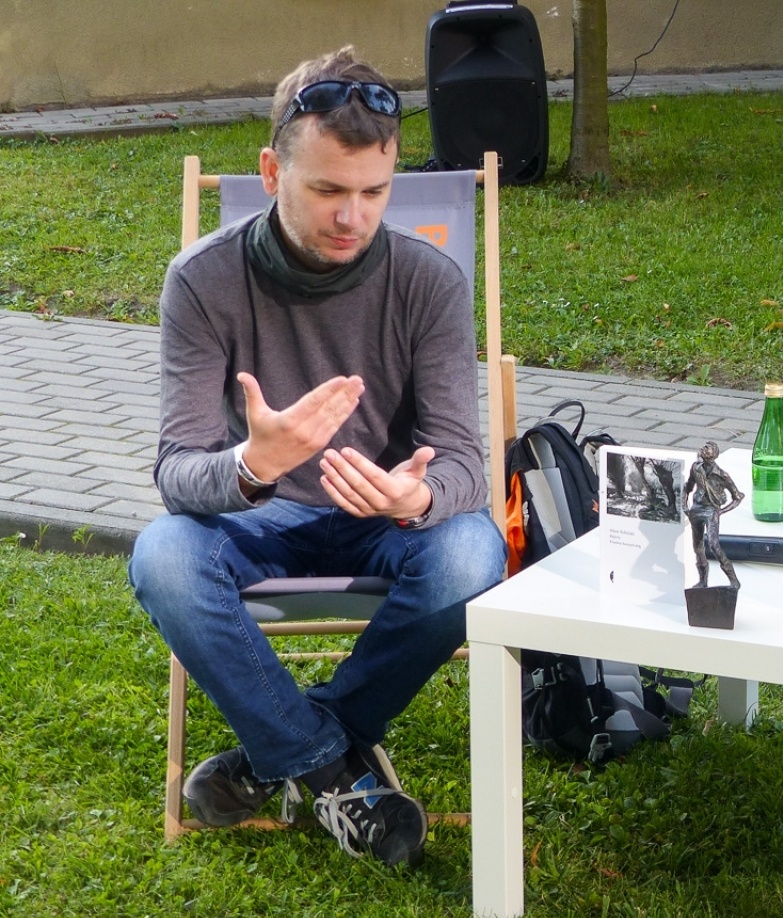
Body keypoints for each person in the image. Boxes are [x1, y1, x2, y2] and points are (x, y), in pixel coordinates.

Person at [128, 47, 507, 868]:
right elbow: (176, 474)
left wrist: (415, 500)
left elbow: (468, 469)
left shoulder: (430, 282)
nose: (354, 216)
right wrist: (252, 466)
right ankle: (333, 769)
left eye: (374, 192)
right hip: (258, 520)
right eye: (327, 190)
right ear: (271, 172)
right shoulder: (201, 282)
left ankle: (287, 748)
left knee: (474, 551)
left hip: (384, 521)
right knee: (163, 557)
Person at [683, 442, 744, 589]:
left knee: (714, 545)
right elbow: (688, 487)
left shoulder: (722, 475)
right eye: (703, 446)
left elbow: (738, 497)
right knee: (697, 548)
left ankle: (734, 580)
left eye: (707, 447)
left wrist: (721, 511)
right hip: (696, 509)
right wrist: (685, 506)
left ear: (714, 454)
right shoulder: (695, 468)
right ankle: (703, 581)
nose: (703, 448)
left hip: (711, 511)